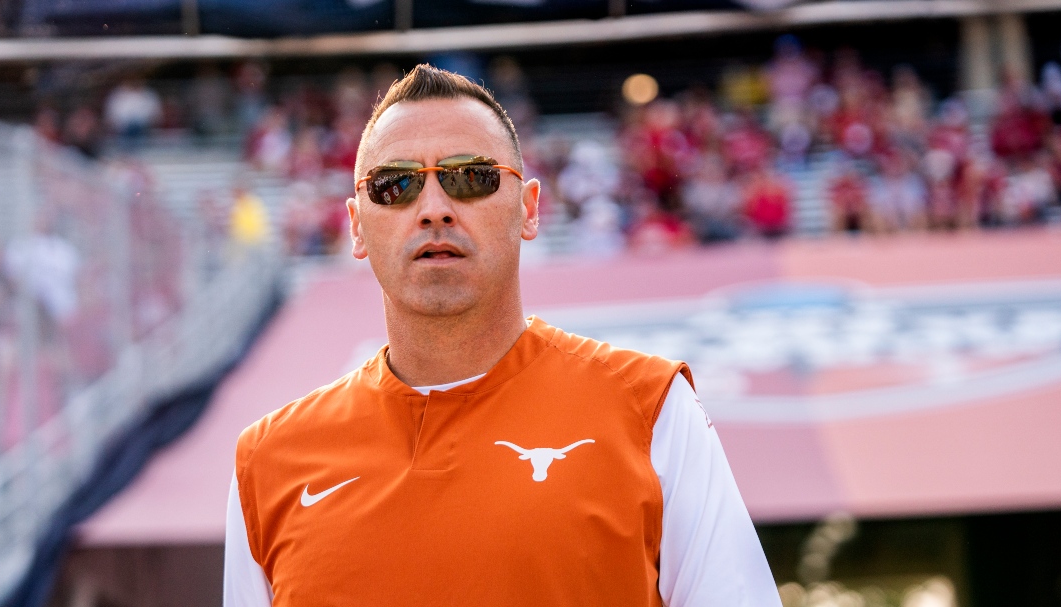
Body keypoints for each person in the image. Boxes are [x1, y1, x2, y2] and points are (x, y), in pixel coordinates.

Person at [224, 64, 781, 607]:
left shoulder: (651, 409)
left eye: (471, 177)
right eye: (396, 186)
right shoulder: (269, 462)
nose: (434, 210)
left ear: (529, 209)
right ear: (356, 225)